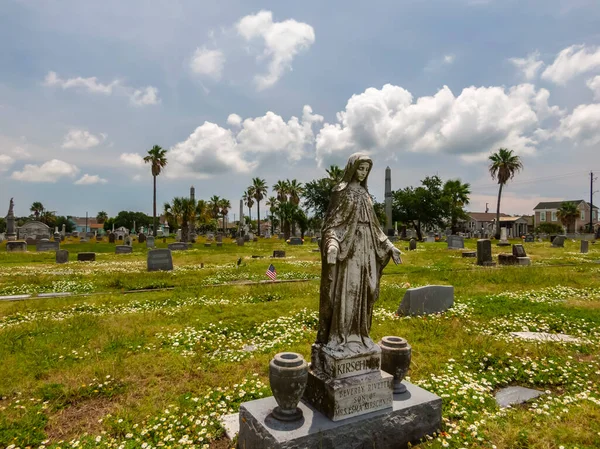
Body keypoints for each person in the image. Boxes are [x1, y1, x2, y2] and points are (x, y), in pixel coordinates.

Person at [316, 153, 402, 355]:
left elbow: (375, 228)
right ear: (352, 168)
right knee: (349, 291)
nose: (363, 173)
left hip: (368, 249)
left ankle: (360, 335)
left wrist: (389, 245)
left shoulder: (365, 195)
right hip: (350, 250)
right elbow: (331, 224)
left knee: (365, 292)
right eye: (360, 168)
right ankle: (340, 337)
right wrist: (333, 244)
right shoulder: (341, 191)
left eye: (366, 170)